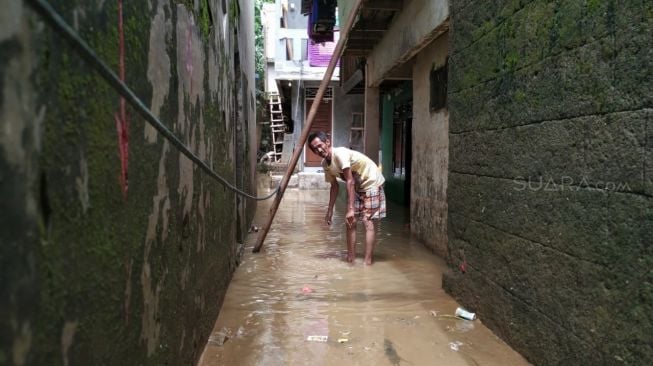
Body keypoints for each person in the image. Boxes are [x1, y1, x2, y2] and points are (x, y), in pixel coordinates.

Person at [307, 131, 386, 265]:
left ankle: (368, 262)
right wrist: (330, 210)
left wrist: (350, 209)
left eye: (320, 145)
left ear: (327, 142)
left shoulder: (340, 154)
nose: (319, 150)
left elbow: (350, 181)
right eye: (315, 149)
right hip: (357, 186)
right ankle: (351, 259)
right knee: (350, 222)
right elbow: (334, 186)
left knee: (368, 221)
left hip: (372, 182)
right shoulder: (325, 164)